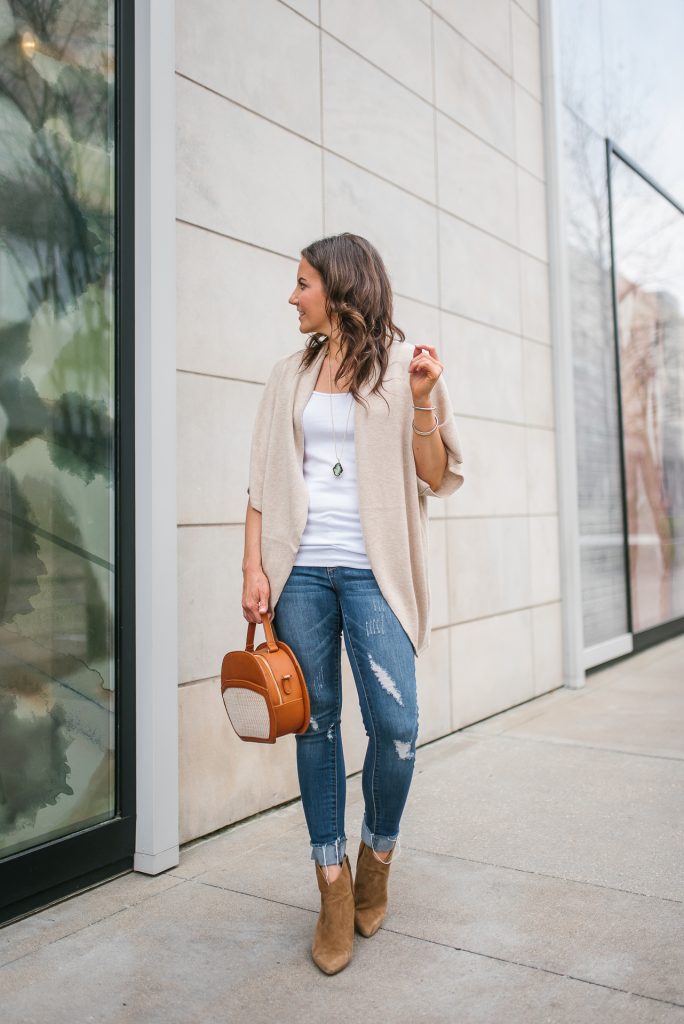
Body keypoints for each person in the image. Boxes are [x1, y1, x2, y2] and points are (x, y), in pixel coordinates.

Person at [241, 232, 464, 975]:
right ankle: (332, 884)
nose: (292, 295)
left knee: (397, 727)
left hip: (375, 574)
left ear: (338, 290)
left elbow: (434, 475)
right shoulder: (287, 375)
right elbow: (260, 485)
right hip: (301, 572)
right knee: (318, 728)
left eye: (303, 283)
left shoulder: (407, 371)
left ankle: (379, 856)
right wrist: (254, 566)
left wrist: (427, 404)